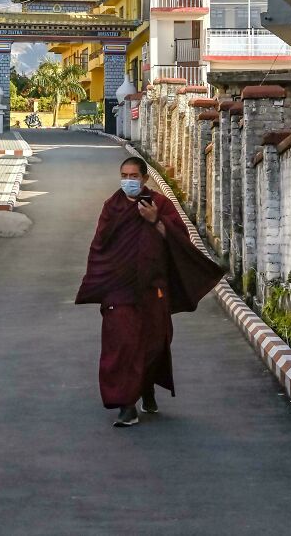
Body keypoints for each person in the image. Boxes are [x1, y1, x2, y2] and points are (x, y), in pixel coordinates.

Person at [75, 155, 223, 427]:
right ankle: (126, 405)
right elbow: (99, 246)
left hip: (153, 288)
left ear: (144, 179)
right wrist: (101, 281)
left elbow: (182, 241)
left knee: (154, 343)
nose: (128, 181)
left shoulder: (161, 204)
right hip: (119, 291)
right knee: (120, 344)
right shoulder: (113, 206)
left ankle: (146, 388)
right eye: (124, 176)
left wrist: (156, 220)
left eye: (134, 176)